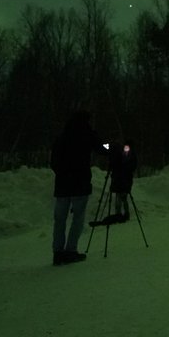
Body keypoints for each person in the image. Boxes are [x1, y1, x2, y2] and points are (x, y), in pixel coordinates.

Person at [50, 110, 105, 266]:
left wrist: (61, 173)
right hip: (80, 183)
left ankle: (58, 252)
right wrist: (111, 146)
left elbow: (53, 161)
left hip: (62, 185)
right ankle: (71, 250)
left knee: (59, 219)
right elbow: (102, 148)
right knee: (78, 218)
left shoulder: (62, 137)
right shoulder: (87, 134)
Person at [108, 140, 137, 222]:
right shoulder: (122, 154)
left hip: (125, 179)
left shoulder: (131, 156)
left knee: (123, 196)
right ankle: (119, 214)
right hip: (120, 179)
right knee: (119, 196)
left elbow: (131, 166)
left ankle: (125, 214)